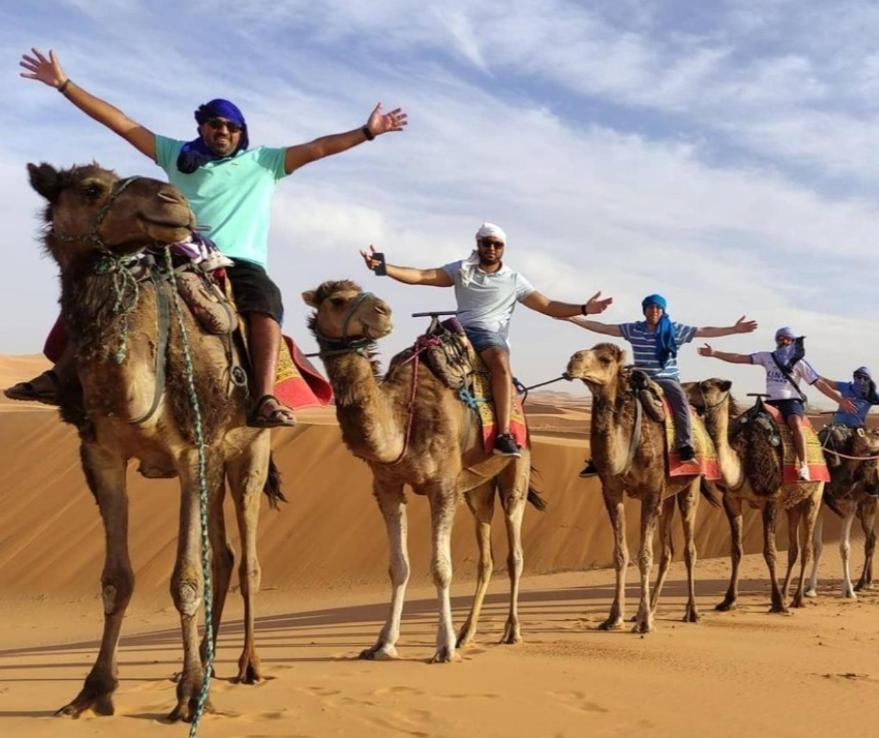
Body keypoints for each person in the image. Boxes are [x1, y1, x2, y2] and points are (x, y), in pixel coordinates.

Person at [8, 47, 407, 427]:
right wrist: (64, 85)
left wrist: (367, 132)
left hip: (239, 262)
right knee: (103, 291)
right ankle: (62, 376)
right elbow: (122, 122)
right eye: (216, 123)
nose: (223, 131)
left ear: (241, 132)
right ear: (202, 126)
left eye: (232, 126)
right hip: (173, 252)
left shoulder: (264, 162)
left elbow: (319, 147)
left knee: (265, 305)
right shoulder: (176, 154)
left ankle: (264, 398)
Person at [360, 222, 613, 456]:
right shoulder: (461, 270)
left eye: (497, 244)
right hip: (455, 330)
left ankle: (503, 434)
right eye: (486, 243)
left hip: (489, 336)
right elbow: (422, 275)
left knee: (501, 364)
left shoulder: (513, 280)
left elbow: (547, 305)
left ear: (503, 248)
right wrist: (383, 267)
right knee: (411, 359)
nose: (491, 248)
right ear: (478, 244)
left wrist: (583, 309)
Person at [567, 294, 757, 476]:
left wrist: (733, 329)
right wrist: (572, 317)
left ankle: (685, 445)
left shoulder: (673, 330)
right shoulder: (634, 329)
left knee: (680, 403)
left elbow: (703, 331)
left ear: (663, 311)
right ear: (645, 310)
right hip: (639, 377)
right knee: (609, 404)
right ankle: (599, 457)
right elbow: (604, 328)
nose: (654, 310)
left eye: (658, 307)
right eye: (650, 307)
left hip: (666, 379)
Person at [699, 327, 855, 481]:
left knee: (795, 424)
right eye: (781, 338)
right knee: (744, 423)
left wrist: (840, 400)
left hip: (791, 402)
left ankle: (803, 465)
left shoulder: (800, 363)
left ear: (793, 342)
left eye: (788, 338)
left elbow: (819, 384)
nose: (784, 341)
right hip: (770, 401)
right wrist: (714, 353)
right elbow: (739, 357)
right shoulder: (767, 357)